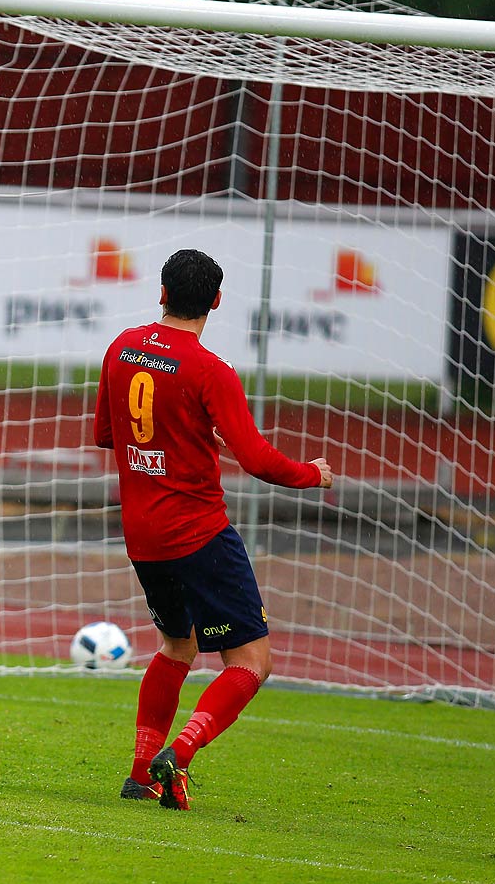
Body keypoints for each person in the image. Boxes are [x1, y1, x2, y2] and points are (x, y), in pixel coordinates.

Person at [93, 249, 333, 810]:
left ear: (161, 292)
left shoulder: (122, 347)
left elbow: (111, 433)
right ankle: (179, 752)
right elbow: (257, 461)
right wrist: (311, 475)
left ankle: (139, 772)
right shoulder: (210, 370)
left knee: (177, 645)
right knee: (251, 661)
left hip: (142, 532)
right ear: (217, 301)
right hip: (198, 531)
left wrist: (185, 439)